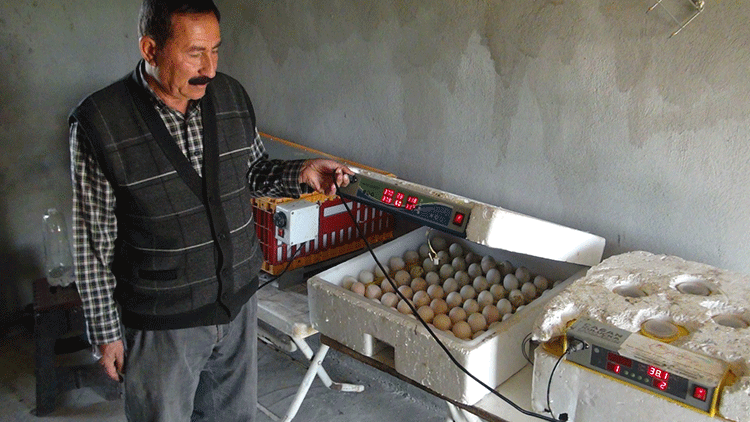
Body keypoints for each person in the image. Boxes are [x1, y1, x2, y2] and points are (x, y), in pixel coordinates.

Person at [69, 1, 353, 420]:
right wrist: (106, 333)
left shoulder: (231, 95)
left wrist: (301, 171)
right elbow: (93, 243)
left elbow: (252, 170)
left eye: (216, 50)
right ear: (150, 49)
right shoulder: (100, 122)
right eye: (194, 52)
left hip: (237, 304)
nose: (210, 68)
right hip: (161, 320)